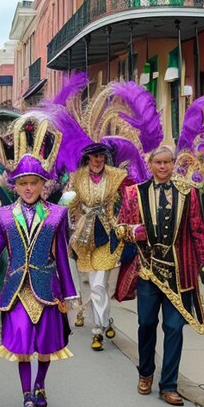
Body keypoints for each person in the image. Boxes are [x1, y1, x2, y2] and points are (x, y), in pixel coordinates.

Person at [0, 148, 77, 407]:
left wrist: (67, 292)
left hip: (47, 289)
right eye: (23, 183)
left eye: (34, 183)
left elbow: (62, 254)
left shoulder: (57, 215)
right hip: (16, 290)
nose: (29, 188)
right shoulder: (3, 215)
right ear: (16, 185)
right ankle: (26, 396)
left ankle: (40, 385)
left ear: (43, 184)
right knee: (21, 346)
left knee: (45, 346)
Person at [116, 145, 204, 406]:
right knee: (146, 325)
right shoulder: (134, 193)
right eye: (158, 162)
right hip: (148, 272)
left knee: (174, 328)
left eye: (167, 162)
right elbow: (119, 227)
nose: (163, 167)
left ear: (173, 164)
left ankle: (169, 385)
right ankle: (145, 373)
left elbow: (198, 231)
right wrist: (132, 231)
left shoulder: (188, 194)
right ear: (150, 164)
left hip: (180, 274)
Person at [68, 144, 128, 351]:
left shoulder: (116, 176)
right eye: (94, 156)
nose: (98, 160)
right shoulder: (77, 178)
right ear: (87, 158)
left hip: (107, 235)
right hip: (85, 237)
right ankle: (106, 321)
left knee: (99, 286)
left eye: (101, 156)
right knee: (96, 286)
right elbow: (69, 203)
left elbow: (125, 202)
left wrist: (121, 223)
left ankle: (97, 330)